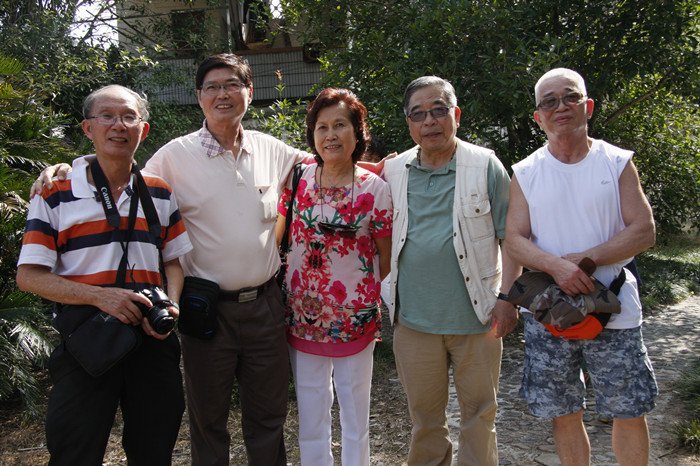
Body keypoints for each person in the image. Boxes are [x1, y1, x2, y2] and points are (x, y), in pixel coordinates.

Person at [32, 53, 385, 466]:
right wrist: (71, 168)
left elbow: (332, 161)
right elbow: (123, 174)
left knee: (268, 417)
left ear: (249, 92)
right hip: (206, 311)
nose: (223, 94)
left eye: (232, 85)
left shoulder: (270, 149)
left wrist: (393, 168)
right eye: (212, 87)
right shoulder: (173, 157)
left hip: (266, 306)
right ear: (199, 96)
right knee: (208, 421)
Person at [16, 85, 192, 465]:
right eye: (107, 116)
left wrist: (173, 304)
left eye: (129, 117)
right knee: (75, 450)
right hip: (87, 337)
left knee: (154, 449)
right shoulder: (55, 191)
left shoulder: (159, 192)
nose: (119, 125)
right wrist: (100, 296)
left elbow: (174, 262)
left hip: (152, 334)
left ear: (143, 129)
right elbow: (29, 276)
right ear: (88, 128)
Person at [505, 68, 658, 466]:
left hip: (614, 309)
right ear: (538, 117)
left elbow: (644, 230)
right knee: (564, 412)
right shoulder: (526, 172)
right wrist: (558, 268)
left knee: (628, 410)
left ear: (587, 106)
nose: (561, 107)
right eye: (549, 101)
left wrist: (585, 262)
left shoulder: (616, 162)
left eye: (570, 97)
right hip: (549, 311)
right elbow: (514, 238)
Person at [382, 76, 520, 466]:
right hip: (413, 321)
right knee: (424, 421)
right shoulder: (393, 172)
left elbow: (512, 238)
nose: (430, 121)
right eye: (418, 114)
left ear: (456, 114)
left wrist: (508, 299)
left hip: (477, 318)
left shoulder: (485, 165)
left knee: (480, 416)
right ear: (409, 123)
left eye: (439, 110)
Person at [276, 88, 392, 465]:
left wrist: (360, 293)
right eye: (322, 127)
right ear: (312, 135)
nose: (330, 135)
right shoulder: (297, 181)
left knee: (356, 413)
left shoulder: (375, 189)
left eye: (340, 125)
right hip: (303, 315)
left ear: (357, 133)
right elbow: (277, 238)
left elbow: (386, 257)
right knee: (311, 411)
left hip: (354, 319)